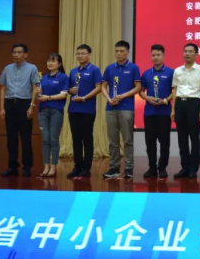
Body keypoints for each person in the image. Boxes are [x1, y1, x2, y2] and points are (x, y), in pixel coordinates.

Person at [101, 41, 141, 180]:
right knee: (112, 140)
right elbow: (103, 86)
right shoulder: (109, 68)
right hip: (111, 108)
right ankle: (114, 167)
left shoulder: (133, 68)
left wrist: (122, 96)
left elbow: (138, 87)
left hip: (126, 108)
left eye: (122, 51)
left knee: (127, 140)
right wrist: (109, 98)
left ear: (127, 52)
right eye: (116, 51)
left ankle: (128, 168)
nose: (118, 53)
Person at [0, 43, 39, 177]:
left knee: (25, 137)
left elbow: (35, 88)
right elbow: (3, 89)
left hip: (24, 104)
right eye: (14, 52)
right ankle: (12, 167)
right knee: (11, 138)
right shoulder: (7, 69)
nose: (16, 55)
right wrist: (2, 108)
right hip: (10, 104)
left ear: (25, 54)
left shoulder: (32, 68)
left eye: (19, 52)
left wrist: (31, 106)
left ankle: (27, 166)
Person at [170, 43, 200, 179]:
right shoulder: (177, 71)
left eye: (190, 51)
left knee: (194, 137)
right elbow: (174, 90)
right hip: (180, 103)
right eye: (185, 51)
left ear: (196, 54)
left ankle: (193, 168)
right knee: (182, 137)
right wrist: (173, 109)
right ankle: (184, 168)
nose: (187, 54)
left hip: (194, 103)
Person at [68, 44, 103, 179]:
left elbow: (98, 88)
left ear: (89, 55)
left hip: (87, 109)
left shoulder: (94, 70)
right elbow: (69, 88)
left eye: (83, 53)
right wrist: (70, 90)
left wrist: (84, 98)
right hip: (73, 109)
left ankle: (86, 168)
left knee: (87, 138)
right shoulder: (73, 71)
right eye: (78, 53)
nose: (80, 56)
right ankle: (77, 166)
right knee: (76, 138)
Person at [138, 44, 174, 179]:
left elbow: (175, 92)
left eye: (158, 55)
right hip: (150, 112)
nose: (155, 57)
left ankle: (162, 168)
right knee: (150, 141)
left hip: (164, 112)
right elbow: (141, 91)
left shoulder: (171, 72)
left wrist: (165, 100)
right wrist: (148, 98)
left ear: (163, 56)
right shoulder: (146, 73)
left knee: (164, 141)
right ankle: (152, 168)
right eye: (153, 55)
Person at [36, 53, 69, 178]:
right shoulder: (43, 78)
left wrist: (48, 98)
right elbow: (39, 95)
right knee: (45, 139)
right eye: (49, 61)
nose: (50, 63)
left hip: (56, 111)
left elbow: (63, 95)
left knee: (53, 139)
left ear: (59, 64)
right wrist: (38, 93)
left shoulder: (63, 77)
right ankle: (46, 166)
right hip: (43, 111)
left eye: (53, 61)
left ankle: (53, 167)